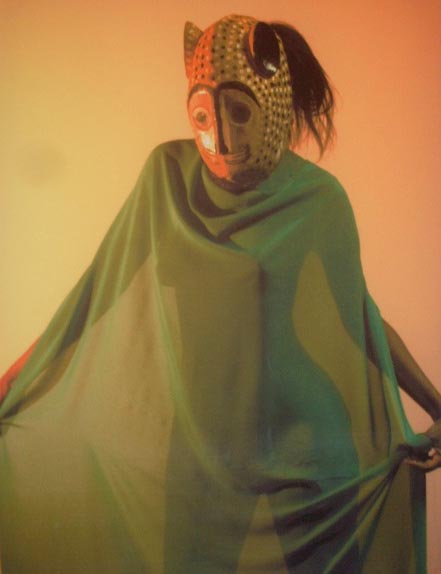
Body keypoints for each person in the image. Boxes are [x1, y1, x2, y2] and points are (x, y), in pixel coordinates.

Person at [0, 14, 440, 574]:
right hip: (199, 444)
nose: (222, 139)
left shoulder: (319, 199)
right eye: (204, 115)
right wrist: (13, 381)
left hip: (303, 442)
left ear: (272, 103)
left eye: (239, 112)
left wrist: (436, 404)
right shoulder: (166, 178)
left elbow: (363, 320)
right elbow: (95, 295)